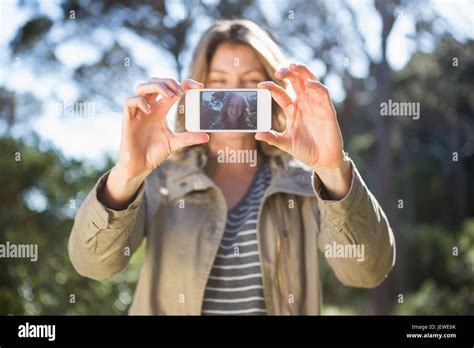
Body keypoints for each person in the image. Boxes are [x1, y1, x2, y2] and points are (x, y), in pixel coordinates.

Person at [69, 19, 396, 315]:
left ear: (272, 91)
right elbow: (93, 265)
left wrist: (333, 170)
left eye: (250, 81)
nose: (234, 97)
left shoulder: (308, 183)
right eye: (219, 81)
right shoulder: (160, 178)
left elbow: (367, 271)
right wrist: (126, 173)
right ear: (198, 89)